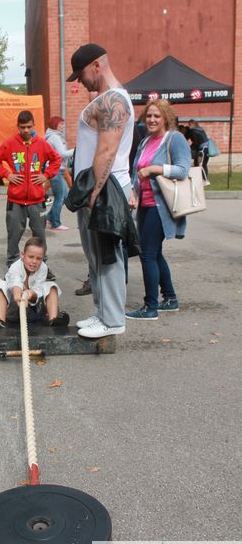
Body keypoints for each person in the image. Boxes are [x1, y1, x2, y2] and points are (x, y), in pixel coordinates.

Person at [66, 43, 136, 339]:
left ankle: (113, 319)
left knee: (108, 255)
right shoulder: (109, 97)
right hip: (97, 188)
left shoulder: (113, 100)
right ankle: (103, 312)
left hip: (105, 189)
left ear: (96, 65)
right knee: (95, 256)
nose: (80, 81)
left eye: (80, 74)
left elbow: (107, 150)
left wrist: (94, 194)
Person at [125, 99, 191, 320]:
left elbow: (183, 170)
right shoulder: (145, 141)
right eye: (149, 115)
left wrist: (155, 168)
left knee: (147, 254)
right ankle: (170, 299)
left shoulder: (174, 138)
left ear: (166, 118)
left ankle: (150, 307)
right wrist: (133, 192)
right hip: (145, 204)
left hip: (161, 206)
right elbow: (136, 171)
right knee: (154, 252)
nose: (152, 120)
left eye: (157, 116)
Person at [0, 110, 61, 268]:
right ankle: (13, 267)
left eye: (29, 126)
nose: (26, 130)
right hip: (15, 201)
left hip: (37, 200)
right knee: (13, 236)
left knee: (40, 236)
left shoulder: (42, 143)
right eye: (22, 127)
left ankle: (42, 267)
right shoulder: (10, 144)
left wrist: (46, 175)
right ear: (18, 126)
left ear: (34, 125)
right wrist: (7, 174)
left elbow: (56, 159)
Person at [0, 237, 69, 329]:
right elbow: (16, 283)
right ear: (22, 255)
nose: (34, 261)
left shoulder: (43, 268)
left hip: (35, 311)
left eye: (38, 258)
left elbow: (38, 290)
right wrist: (19, 297)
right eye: (31, 257)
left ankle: (53, 320)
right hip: (14, 311)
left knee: (51, 286)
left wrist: (29, 294)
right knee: (0, 285)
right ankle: (0, 322)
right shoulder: (15, 267)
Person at [44, 116, 74, 230]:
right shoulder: (54, 137)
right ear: (55, 125)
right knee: (60, 197)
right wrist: (76, 150)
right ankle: (55, 223)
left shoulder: (55, 136)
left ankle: (49, 217)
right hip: (55, 170)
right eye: (61, 124)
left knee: (64, 196)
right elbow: (62, 153)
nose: (63, 126)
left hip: (58, 170)